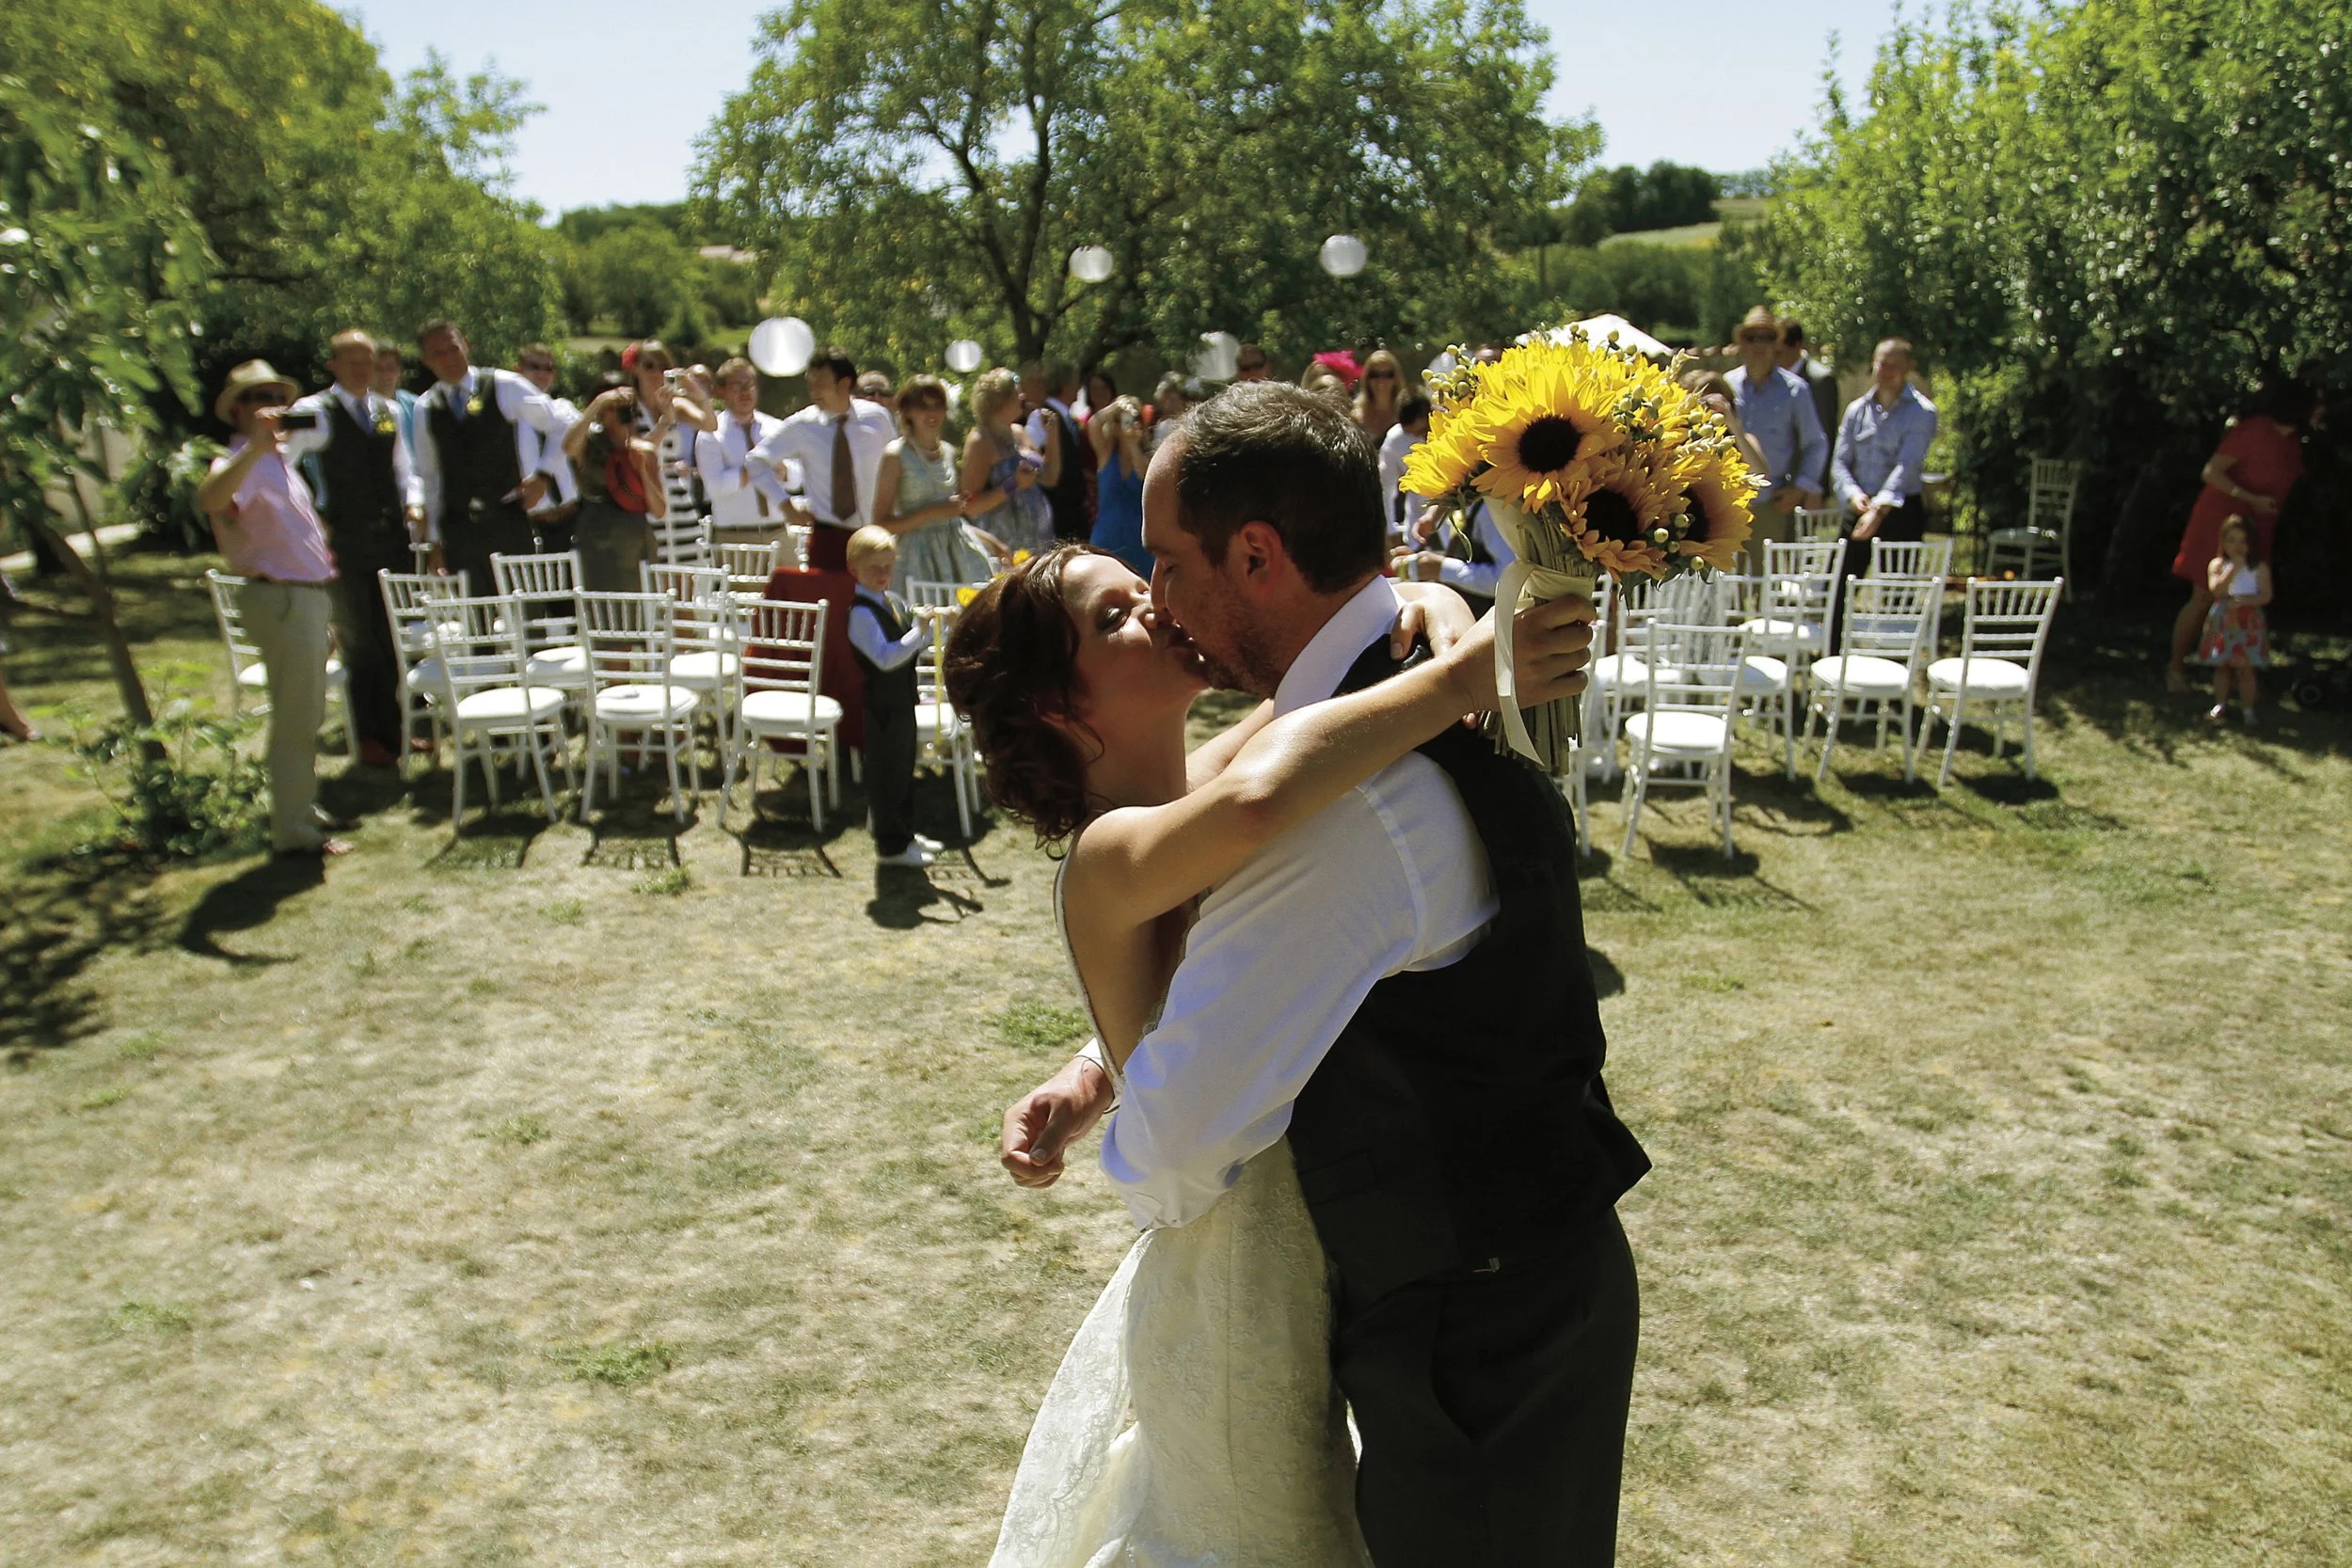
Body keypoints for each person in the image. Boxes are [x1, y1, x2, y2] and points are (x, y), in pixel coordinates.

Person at [981, 383, 1645, 1567]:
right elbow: (1248, 828)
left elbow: (1239, 905)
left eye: (1165, 569)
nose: (1162, 602)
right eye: (1124, 608)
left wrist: (1433, 598)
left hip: (1462, 1321)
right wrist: (1460, 661)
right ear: (1066, 707)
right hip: (1275, 1257)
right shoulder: (1234, 797)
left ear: (1254, 553)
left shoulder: (1320, 774)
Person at [193, 360, 352, 860]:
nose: (270, 407)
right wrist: (256, 449)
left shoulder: (277, 461)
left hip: (304, 598)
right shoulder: (238, 460)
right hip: (280, 598)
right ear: (237, 410)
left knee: (307, 714)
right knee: (294, 719)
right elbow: (211, 499)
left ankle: (301, 808)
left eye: (275, 396)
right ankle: (293, 830)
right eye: (257, 397)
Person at [280, 328, 425, 768]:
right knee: (360, 639)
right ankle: (367, 736)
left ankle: (396, 727)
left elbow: (404, 467)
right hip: (345, 538)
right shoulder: (314, 412)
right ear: (334, 366)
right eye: (353, 361)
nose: (364, 370)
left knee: (391, 635)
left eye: (370, 361)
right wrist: (313, 516)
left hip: (391, 537)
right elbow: (282, 466)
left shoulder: (386, 411)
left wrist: (414, 506)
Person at [2167, 380, 2319, 693]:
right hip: (2221, 523)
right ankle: (2176, 670)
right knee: (2205, 595)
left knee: (2246, 599)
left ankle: (2234, 674)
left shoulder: (2291, 440)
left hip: (2256, 526)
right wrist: (2248, 497)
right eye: (2317, 404)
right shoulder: (2254, 431)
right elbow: (2211, 472)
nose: (2322, 410)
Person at [409, 319, 574, 595]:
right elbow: (431, 475)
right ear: (426, 360)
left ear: (466, 345)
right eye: (438, 353)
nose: (448, 358)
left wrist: (543, 476)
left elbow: (561, 425)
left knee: (525, 615)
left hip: (507, 517)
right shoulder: (425, 406)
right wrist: (434, 541)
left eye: (453, 348)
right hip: (459, 529)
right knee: (476, 623)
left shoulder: (503, 385)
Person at [844, 526, 946, 868]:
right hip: (882, 706)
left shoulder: (894, 601)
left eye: (888, 566)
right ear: (854, 569)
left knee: (903, 771)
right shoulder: (861, 613)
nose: (883, 574)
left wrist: (930, 630)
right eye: (874, 568)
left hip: (903, 701)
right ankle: (891, 846)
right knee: (887, 775)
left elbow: (909, 648)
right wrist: (918, 632)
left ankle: (905, 834)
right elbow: (885, 658)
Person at [1828, 338, 1939, 646]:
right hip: (1859, 507)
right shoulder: (1857, 410)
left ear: (1908, 369)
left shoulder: (1922, 412)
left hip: (1901, 509)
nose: (1886, 371)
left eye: (1894, 365)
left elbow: (1907, 465)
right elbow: (1840, 462)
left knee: (1897, 592)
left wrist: (1880, 508)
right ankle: (1831, 656)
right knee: (1840, 585)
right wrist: (1853, 495)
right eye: (1881, 363)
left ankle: (1892, 665)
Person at [753, 345, 898, 572]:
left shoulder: (877, 418)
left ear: (845, 383)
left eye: (820, 384)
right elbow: (755, 461)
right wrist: (786, 506)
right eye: (810, 384)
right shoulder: (802, 425)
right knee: (827, 604)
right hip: (829, 536)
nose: (814, 391)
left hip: (875, 534)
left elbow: (897, 465)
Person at [1724, 306, 1827, 559]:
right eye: (1751, 337)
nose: (1759, 345)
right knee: (1725, 589)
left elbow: (1816, 444)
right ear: (1741, 342)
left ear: (1776, 343)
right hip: (1726, 504)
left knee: (1765, 586)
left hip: (1771, 502)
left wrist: (1800, 488)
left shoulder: (1795, 390)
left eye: (1767, 337)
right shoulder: (1725, 384)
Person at [875, 375, 993, 587]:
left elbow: (951, 514)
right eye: (923, 406)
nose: (932, 413)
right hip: (915, 558)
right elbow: (881, 524)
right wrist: (932, 512)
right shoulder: (896, 454)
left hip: (958, 550)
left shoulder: (948, 451)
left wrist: (991, 541)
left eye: (938, 406)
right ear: (908, 411)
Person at [561, 386, 668, 593]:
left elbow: (659, 510)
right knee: (601, 610)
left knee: (639, 612)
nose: (623, 413)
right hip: (596, 536)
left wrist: (642, 472)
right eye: (615, 407)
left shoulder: (643, 450)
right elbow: (568, 447)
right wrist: (599, 403)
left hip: (634, 538)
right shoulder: (590, 444)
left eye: (627, 408)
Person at [961, 368, 1054, 557]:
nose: (1022, 396)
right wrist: (1013, 484)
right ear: (1000, 400)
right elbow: (969, 505)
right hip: (1005, 545)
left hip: (1039, 539)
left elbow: (1050, 478)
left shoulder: (1019, 432)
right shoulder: (980, 440)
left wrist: (1053, 436)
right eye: (1016, 392)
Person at [624, 340, 716, 527]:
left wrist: (699, 395)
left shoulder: (677, 405)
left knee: (691, 552)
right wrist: (665, 422)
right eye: (649, 366)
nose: (657, 372)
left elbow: (710, 424)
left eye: (663, 367)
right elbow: (638, 453)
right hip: (645, 492)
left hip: (677, 495)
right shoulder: (627, 406)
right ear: (635, 369)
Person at [695, 357, 790, 533]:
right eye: (737, 386)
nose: (745, 391)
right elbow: (715, 487)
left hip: (779, 531)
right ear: (722, 391)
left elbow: (797, 478)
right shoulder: (711, 434)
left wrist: (785, 471)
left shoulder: (775, 427)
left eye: (750, 384)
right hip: (735, 535)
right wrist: (753, 469)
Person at [2197, 515, 2272, 726]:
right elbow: (2216, 589)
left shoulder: (2259, 568)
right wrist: (2232, 568)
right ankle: (2220, 704)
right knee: (2223, 665)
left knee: (2246, 668)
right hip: (2224, 621)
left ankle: (2248, 709)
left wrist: (2245, 601)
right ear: (2222, 541)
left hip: (2247, 623)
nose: (2237, 546)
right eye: (2231, 540)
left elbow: (2266, 595)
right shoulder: (2218, 565)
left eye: (2242, 541)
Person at [1391, 496, 1516, 616]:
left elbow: (1508, 579)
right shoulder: (1464, 506)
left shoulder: (1489, 511)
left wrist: (1442, 568)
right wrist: (1425, 564)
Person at [514, 343, 581, 551]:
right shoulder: (510, 417)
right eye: (535, 367)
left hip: (572, 516)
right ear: (519, 370)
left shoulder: (563, 409)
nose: (542, 374)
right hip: (531, 520)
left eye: (548, 368)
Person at [1023, 360, 1091, 544]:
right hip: (1057, 513)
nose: (1079, 387)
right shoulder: (1041, 417)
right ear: (1066, 385)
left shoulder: (1068, 418)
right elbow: (1032, 457)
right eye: (1076, 382)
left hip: (1074, 512)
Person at [1088, 394, 1152, 578]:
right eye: (1122, 420)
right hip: (1107, 539)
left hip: (1139, 543)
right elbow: (1094, 425)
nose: (1131, 423)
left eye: (1136, 418)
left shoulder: (1147, 457)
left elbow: (1143, 476)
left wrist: (1132, 443)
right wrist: (1116, 407)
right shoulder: (1106, 453)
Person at [1776, 317, 1843, 490]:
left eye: (1779, 353)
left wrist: (1815, 488)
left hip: (1804, 487)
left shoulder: (1819, 380)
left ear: (1798, 346)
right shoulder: (1773, 380)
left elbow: (1823, 438)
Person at [1377, 391, 1430, 541]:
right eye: (1412, 434)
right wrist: (1390, 530)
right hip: (1417, 519)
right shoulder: (1395, 441)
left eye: (1422, 431)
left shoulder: (1452, 425)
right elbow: (1386, 488)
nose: (1420, 438)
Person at [371, 341, 420, 459]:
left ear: (399, 370)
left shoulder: (415, 405)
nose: (385, 373)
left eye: (390, 367)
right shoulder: (360, 407)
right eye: (378, 368)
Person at [1353, 348, 1406, 448]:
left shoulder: (1406, 413)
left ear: (1396, 379)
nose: (1381, 380)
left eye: (1388, 375)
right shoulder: (1355, 417)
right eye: (1375, 375)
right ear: (1367, 379)